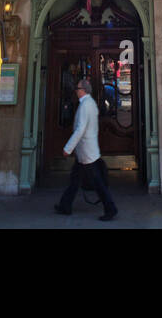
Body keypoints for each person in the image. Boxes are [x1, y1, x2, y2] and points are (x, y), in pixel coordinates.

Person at [55, 78, 117, 221]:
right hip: (86, 151)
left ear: (83, 91)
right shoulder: (90, 104)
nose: (76, 91)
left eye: (77, 89)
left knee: (97, 183)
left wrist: (67, 148)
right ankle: (65, 205)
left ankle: (110, 208)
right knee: (75, 180)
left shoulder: (85, 106)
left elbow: (80, 129)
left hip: (87, 153)